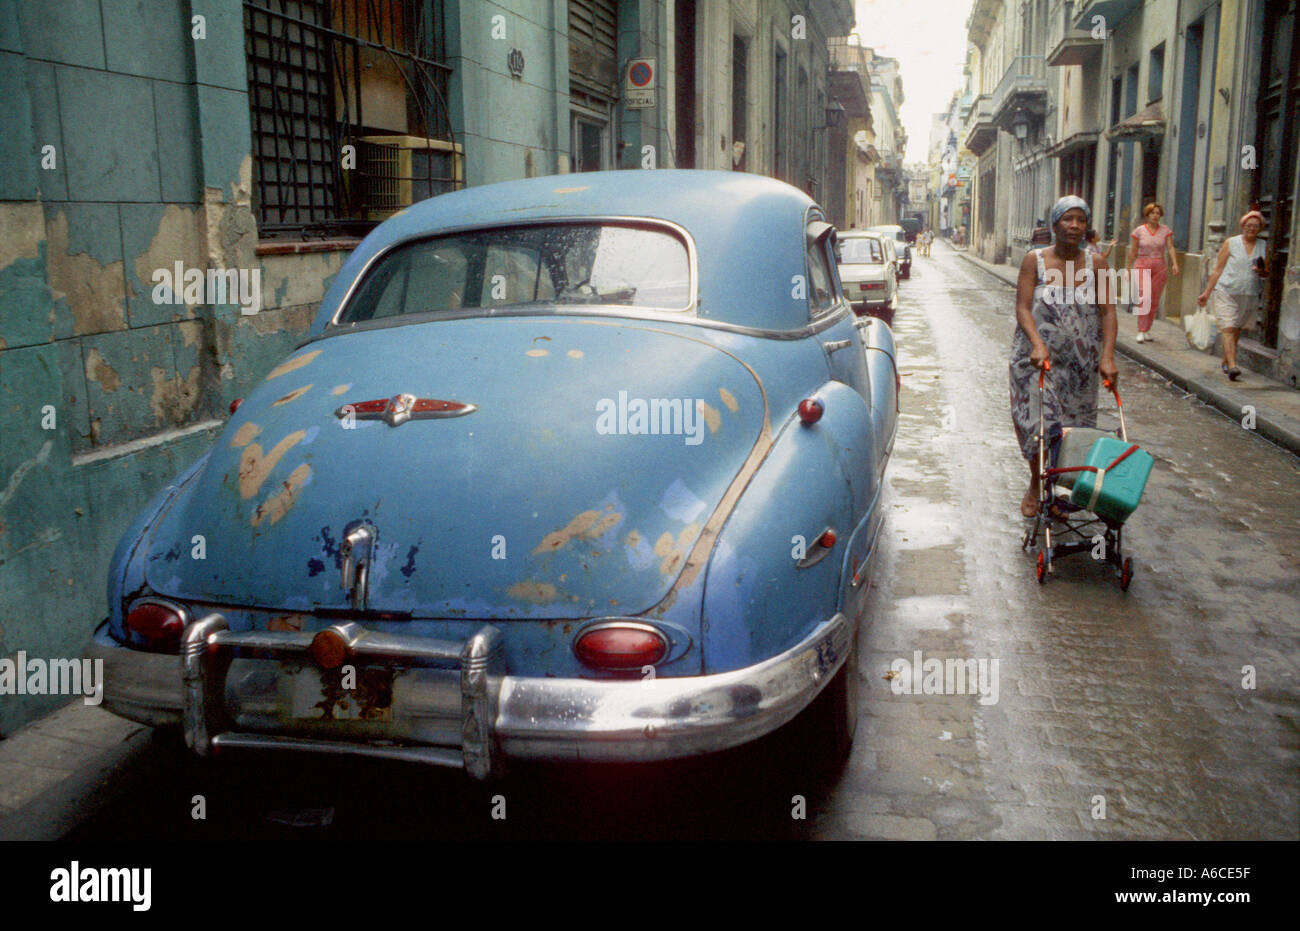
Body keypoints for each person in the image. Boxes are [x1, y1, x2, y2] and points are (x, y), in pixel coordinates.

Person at [1010, 195, 1119, 518]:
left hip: (1080, 364)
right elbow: (1022, 307)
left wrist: (1108, 357)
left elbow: (1108, 312)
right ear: (1055, 223)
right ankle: (1035, 481)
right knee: (1039, 425)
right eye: (1067, 219)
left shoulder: (1096, 263)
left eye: (1081, 220)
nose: (1074, 225)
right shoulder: (1035, 260)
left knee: (1072, 428)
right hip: (1035, 360)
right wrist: (1035, 342)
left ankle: (1059, 488)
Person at [1197, 211, 1267, 380]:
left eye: (1255, 226)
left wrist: (1262, 270)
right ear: (1242, 226)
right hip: (1226, 291)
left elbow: (1266, 271)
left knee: (1236, 329)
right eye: (1248, 225)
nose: (1251, 229)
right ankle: (1233, 366)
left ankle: (1226, 360)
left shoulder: (1263, 245)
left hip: (1248, 293)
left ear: (1260, 229)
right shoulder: (1231, 242)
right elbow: (1218, 269)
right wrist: (1207, 292)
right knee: (1228, 327)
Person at [1127, 203, 1179, 343]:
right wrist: (1127, 268)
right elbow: (1133, 251)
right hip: (1142, 264)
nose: (1155, 215)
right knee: (1145, 297)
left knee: (1154, 299)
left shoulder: (1165, 230)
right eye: (1152, 213)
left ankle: (1148, 329)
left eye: (1157, 213)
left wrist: (1174, 263)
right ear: (1147, 214)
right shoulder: (1139, 231)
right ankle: (1140, 330)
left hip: (1159, 265)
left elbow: (1170, 247)